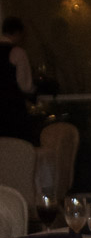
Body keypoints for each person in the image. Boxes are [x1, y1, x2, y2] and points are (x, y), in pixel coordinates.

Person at [0, 15, 39, 144]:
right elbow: (25, 85)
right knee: (20, 147)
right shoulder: (17, 53)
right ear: (17, 33)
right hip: (13, 110)